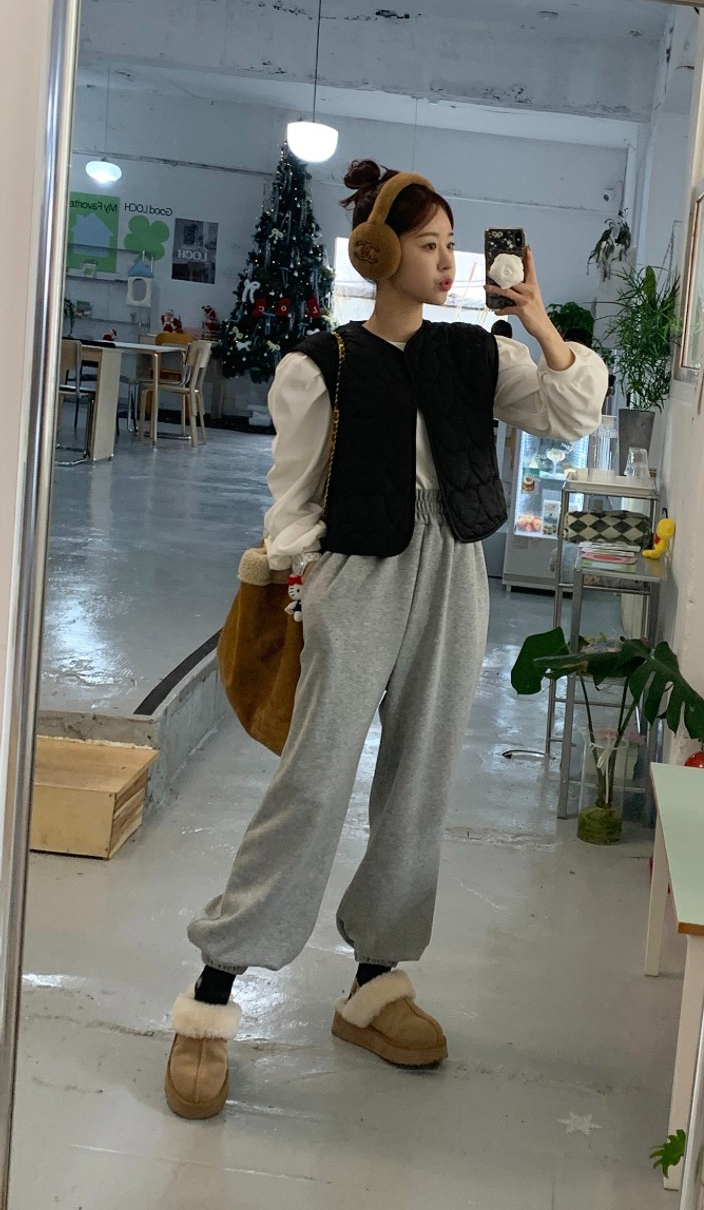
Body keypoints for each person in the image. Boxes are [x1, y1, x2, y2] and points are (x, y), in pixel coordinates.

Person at [164, 160, 608, 1120]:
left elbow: (572, 411)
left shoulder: (476, 354)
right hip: (357, 575)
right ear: (377, 253)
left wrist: (537, 318)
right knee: (314, 779)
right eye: (428, 244)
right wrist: (309, 579)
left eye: (452, 244)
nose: (448, 262)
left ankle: (375, 982)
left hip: (454, 574)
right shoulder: (318, 363)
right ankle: (212, 992)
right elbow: (290, 499)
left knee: (422, 782)